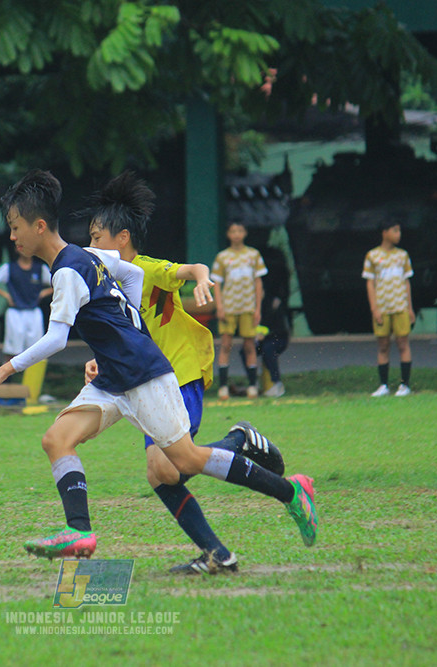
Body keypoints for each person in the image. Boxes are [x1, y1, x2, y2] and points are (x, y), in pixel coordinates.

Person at [0, 169, 318, 561]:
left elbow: (56, 339)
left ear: (39, 226)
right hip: (113, 378)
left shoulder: (69, 270)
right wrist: (127, 326)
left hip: (142, 375)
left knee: (185, 460)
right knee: (56, 439)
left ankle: (292, 491)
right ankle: (79, 533)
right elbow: (133, 273)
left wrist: (3, 370)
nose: (12, 235)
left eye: (15, 226)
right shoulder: (87, 255)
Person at [84, 171, 287, 574]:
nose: (91, 246)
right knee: (163, 471)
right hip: (149, 383)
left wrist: (201, 279)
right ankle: (219, 551)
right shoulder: (106, 284)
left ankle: (238, 447)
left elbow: (190, 268)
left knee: (172, 466)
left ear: (121, 238)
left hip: (179, 374)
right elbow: (127, 334)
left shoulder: (144, 269)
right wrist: (98, 360)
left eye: (96, 237)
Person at [211, 221, 266, 399]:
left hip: (248, 306)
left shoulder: (253, 255)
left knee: (250, 345)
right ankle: (223, 387)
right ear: (228, 234)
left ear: (245, 233)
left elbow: (258, 282)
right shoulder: (222, 257)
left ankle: (252, 385)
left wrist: (258, 308)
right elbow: (216, 284)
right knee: (226, 344)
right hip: (229, 306)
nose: (236, 234)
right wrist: (219, 306)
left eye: (240, 230)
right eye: (233, 231)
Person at [363, 220, 415, 397]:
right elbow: (370, 284)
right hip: (383, 307)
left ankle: (405, 385)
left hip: (400, 306)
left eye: (399, 230)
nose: (398, 234)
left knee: (403, 343)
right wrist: (374, 309)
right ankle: (383, 385)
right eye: (395, 230)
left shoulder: (403, 256)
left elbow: (407, 282)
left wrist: (410, 308)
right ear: (384, 232)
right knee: (383, 345)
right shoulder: (372, 256)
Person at [0, 249, 52, 363]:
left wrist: (44, 292)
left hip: (33, 311)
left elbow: (58, 283)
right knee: (12, 349)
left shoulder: (40, 268)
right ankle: (8, 378)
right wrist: (6, 295)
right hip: (15, 312)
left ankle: (32, 378)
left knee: (37, 349)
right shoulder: (9, 268)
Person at [256, 245, 291, 398]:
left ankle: (276, 384)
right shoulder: (253, 305)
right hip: (260, 339)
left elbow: (280, 329)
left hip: (275, 337)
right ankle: (254, 383)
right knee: (247, 351)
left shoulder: (274, 302)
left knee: (269, 349)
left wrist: (265, 334)